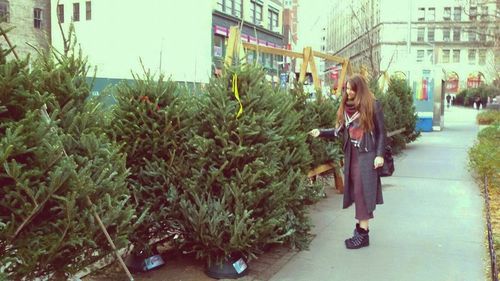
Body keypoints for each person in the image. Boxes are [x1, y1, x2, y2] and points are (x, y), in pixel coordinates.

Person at [309, 74, 385, 250]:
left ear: (360, 90)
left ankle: (363, 233)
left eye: (352, 89)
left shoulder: (372, 105)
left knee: (362, 192)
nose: (348, 92)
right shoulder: (346, 108)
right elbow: (339, 131)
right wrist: (320, 132)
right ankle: (360, 230)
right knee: (356, 191)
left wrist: (379, 154)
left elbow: (381, 133)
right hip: (351, 156)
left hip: (367, 156)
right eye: (347, 89)